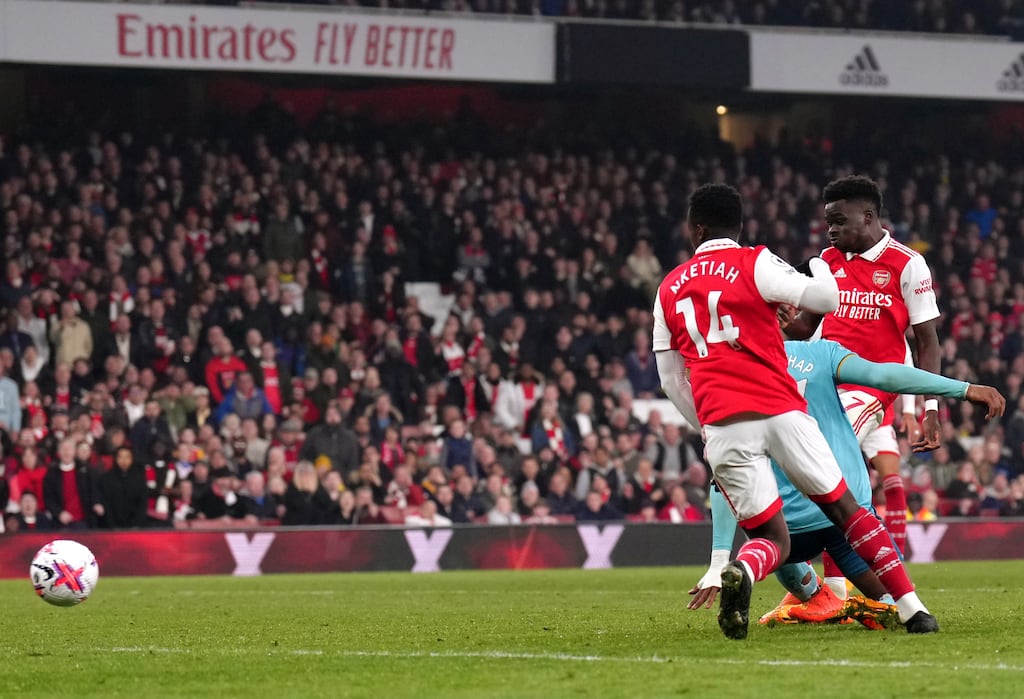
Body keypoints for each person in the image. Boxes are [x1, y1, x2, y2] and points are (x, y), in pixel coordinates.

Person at [653, 182, 936, 638]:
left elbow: (670, 380)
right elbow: (824, 301)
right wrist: (822, 268)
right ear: (740, 225)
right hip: (782, 409)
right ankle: (912, 608)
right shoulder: (756, 261)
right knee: (848, 507)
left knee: (771, 539)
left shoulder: (668, 287)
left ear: (694, 229)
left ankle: (743, 573)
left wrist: (705, 423)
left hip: (724, 424)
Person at [688, 336, 1004, 628]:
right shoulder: (821, 353)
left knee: (764, 534)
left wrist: (718, 560)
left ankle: (795, 588)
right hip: (844, 516)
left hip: (785, 528)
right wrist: (963, 389)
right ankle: (908, 606)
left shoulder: (732, 372)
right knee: (882, 585)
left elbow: (722, 477)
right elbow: (885, 376)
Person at [783, 176, 941, 566]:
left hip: (869, 387)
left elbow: (926, 341)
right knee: (797, 465)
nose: (831, 230)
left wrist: (930, 407)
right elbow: (805, 327)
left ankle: (841, 584)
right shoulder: (827, 261)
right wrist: (781, 316)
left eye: (839, 221)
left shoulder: (908, 263)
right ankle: (830, 583)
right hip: (821, 383)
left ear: (868, 217)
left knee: (824, 465)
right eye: (828, 223)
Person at [100, 446, 149, 529]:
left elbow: (142, 503)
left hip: (135, 527)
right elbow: (106, 504)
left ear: (132, 459)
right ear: (115, 459)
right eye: (120, 457)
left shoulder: (139, 478)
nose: (124, 461)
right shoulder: (107, 478)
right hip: (112, 527)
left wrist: (136, 525)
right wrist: (112, 526)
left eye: (127, 457)